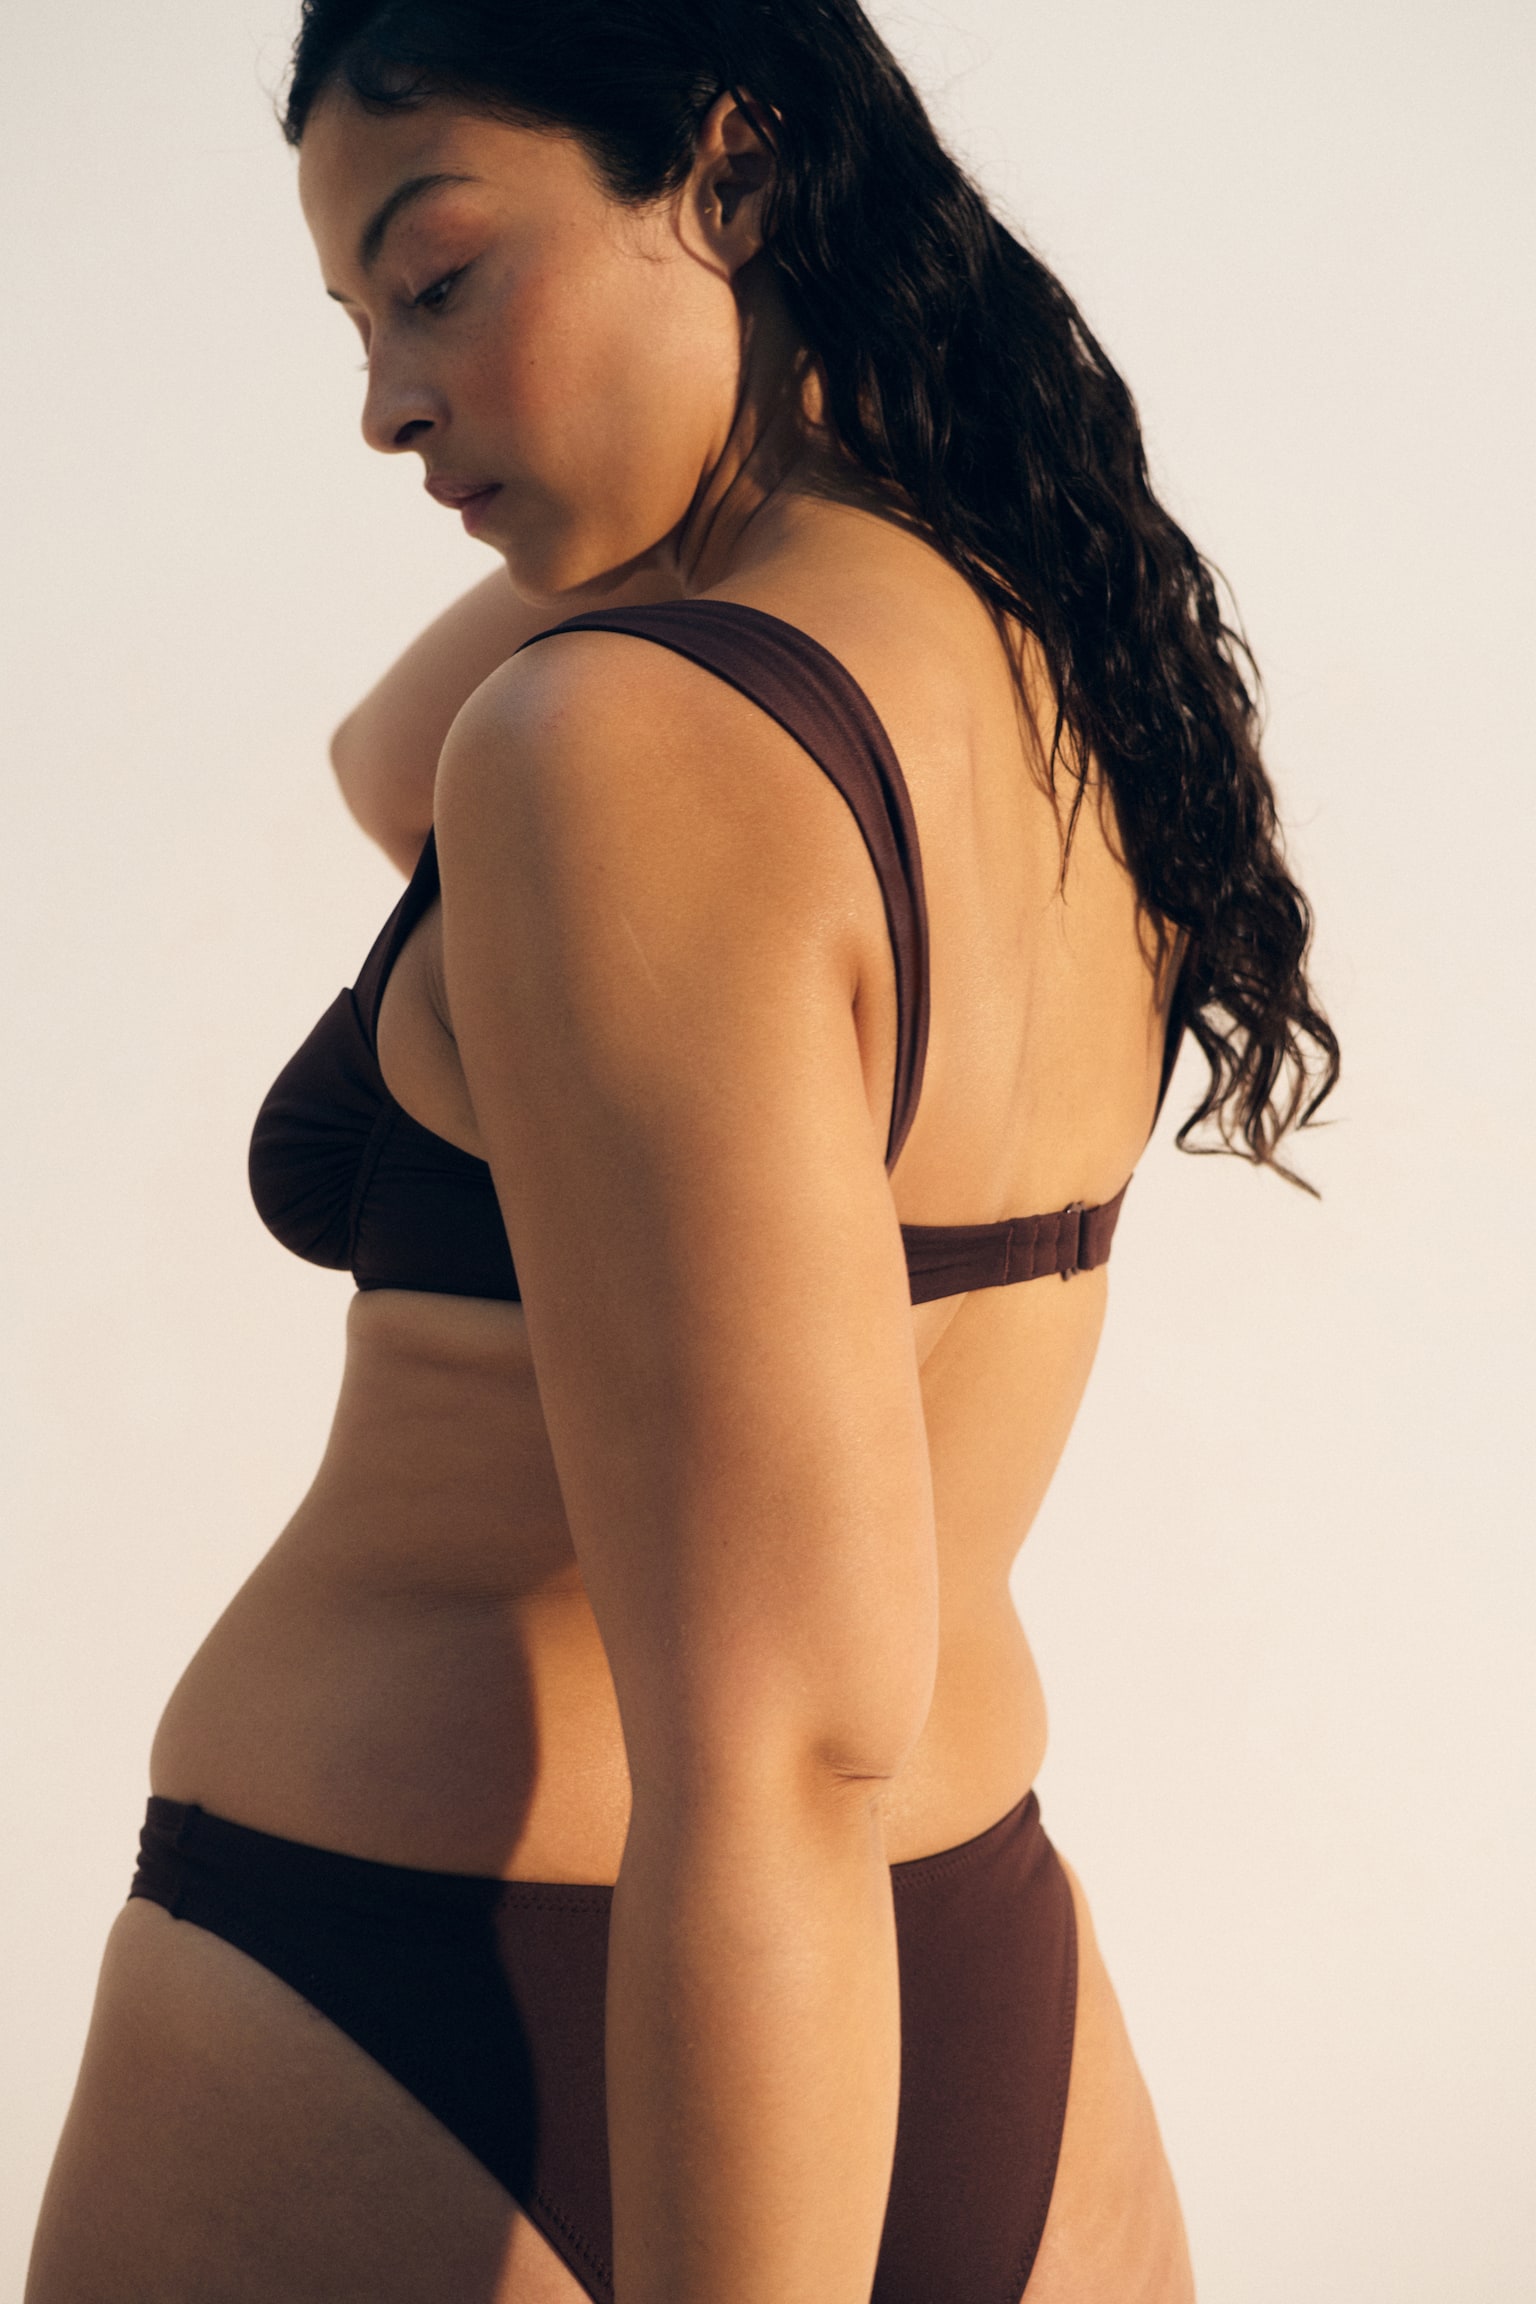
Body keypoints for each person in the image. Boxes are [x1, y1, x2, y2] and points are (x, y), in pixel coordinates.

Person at [26, 4, 1338, 2299]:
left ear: (730, 176)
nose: (384, 404)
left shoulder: (628, 743)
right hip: (971, 1968)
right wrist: (747, 419)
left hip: (452, 1980)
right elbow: (388, 763)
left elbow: (766, 1748)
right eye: (355, 324)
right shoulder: (1058, 661)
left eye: (438, 281)